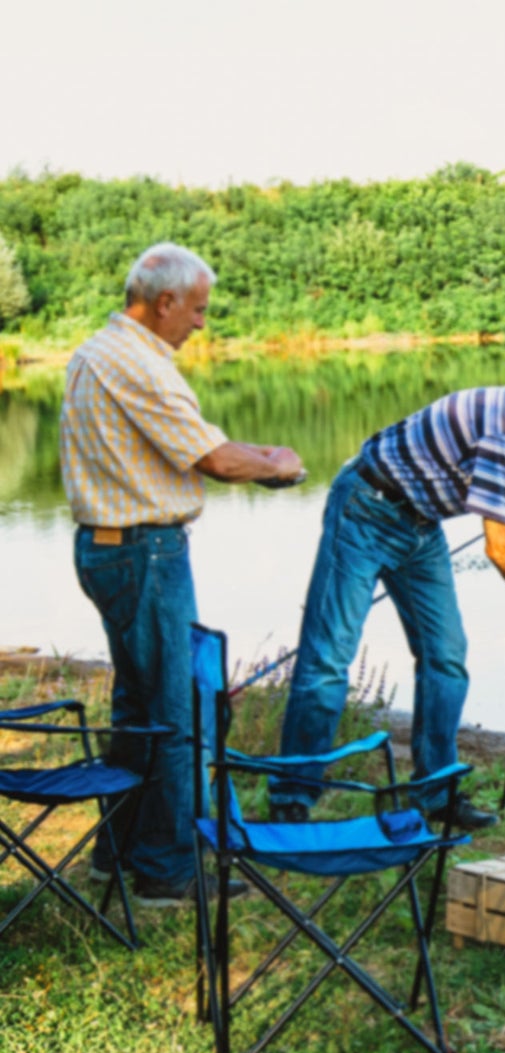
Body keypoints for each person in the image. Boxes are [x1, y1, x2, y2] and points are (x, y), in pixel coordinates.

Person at [268, 371, 505, 830]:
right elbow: (501, 548)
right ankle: (291, 796)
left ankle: (435, 793)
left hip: (420, 528)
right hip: (364, 509)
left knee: (447, 658)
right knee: (328, 657)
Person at [60, 242, 305, 906]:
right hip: (144, 553)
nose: (201, 322)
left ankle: (119, 853)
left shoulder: (99, 350)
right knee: (177, 714)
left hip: (109, 547)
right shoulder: (139, 363)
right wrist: (279, 466)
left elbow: (193, 443)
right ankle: (167, 872)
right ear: (164, 302)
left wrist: (255, 451)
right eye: (196, 309)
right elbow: (215, 460)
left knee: (139, 709)